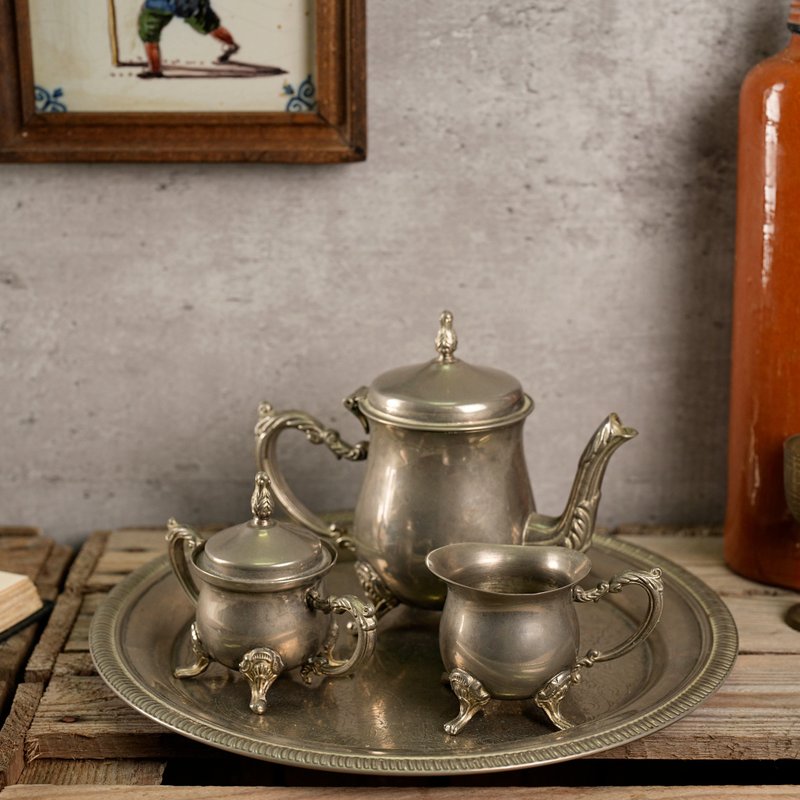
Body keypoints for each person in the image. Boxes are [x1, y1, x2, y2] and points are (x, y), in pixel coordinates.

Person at [137, 0, 239, 78]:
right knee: (148, 32)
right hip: (158, 5)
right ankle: (155, 69)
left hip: (188, 4)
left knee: (209, 26)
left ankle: (231, 45)